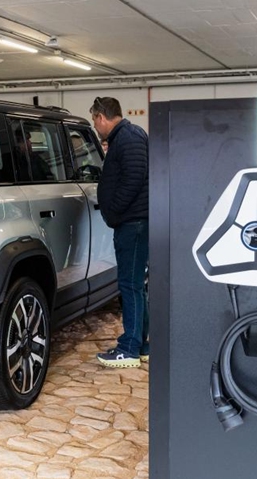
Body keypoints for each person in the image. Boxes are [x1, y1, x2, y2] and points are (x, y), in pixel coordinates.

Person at [90, 96, 150, 368]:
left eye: (94, 120)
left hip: (132, 222)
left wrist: (113, 210)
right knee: (135, 286)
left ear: (102, 117)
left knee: (130, 285)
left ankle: (129, 349)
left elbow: (135, 178)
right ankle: (142, 344)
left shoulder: (128, 137)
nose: (95, 126)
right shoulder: (127, 136)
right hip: (133, 221)